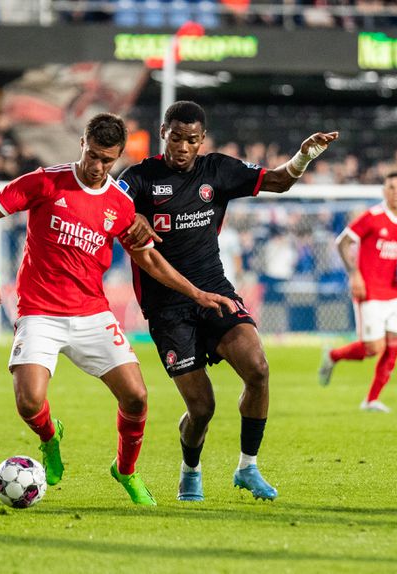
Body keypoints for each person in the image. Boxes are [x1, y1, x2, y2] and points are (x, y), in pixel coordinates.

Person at [0, 113, 236, 506]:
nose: (97, 168)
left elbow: (150, 261)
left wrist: (197, 293)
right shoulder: (46, 181)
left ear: (117, 157)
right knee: (28, 402)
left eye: (107, 161)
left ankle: (125, 470)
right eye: (92, 156)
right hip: (40, 311)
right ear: (82, 142)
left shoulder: (119, 204)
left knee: (137, 398)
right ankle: (50, 436)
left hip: (92, 314)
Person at [118, 101, 338, 502]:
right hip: (167, 309)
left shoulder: (216, 170)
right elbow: (105, 208)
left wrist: (304, 155)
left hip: (215, 292)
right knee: (202, 409)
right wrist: (128, 217)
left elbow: (277, 181)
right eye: (176, 137)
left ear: (202, 140)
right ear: (162, 132)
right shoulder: (138, 178)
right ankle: (190, 470)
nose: (183, 147)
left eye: (192, 139)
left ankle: (247, 467)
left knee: (257, 369)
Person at [318, 171, 397, 412]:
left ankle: (372, 400)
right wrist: (354, 274)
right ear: (384, 191)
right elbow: (342, 242)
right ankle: (333, 356)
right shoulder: (372, 217)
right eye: (391, 187)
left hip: (394, 292)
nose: (396, 192)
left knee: (395, 346)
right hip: (369, 291)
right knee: (373, 349)